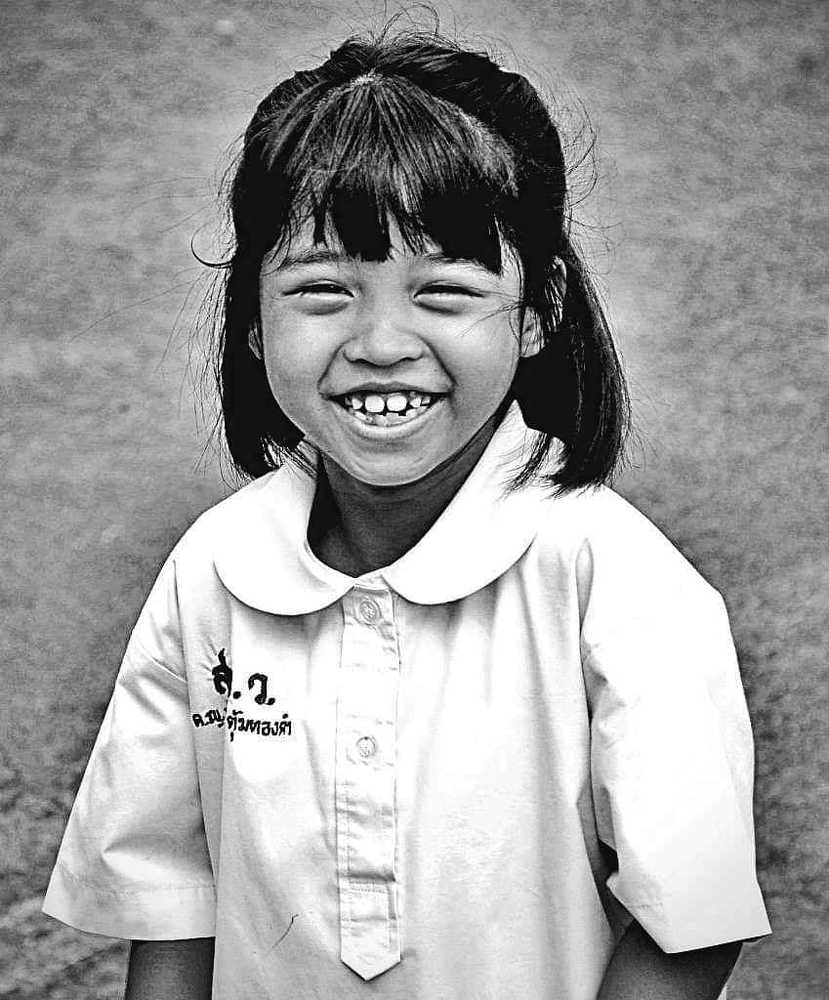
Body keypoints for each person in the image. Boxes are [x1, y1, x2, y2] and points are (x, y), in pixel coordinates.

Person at [42, 24, 771, 1000]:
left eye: (443, 291)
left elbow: (687, 924)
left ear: (539, 309)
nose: (381, 341)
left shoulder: (613, 580)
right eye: (323, 289)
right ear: (251, 318)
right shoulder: (213, 569)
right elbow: (170, 900)